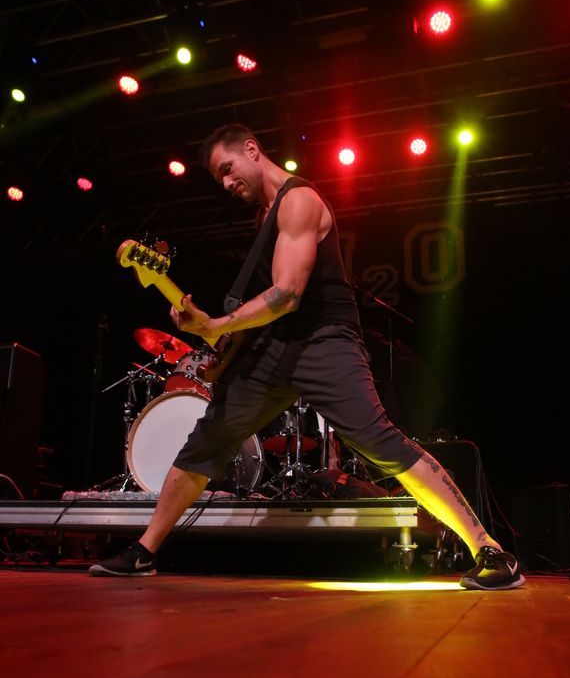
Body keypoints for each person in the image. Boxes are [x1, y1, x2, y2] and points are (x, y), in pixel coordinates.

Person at [89, 123, 525, 590]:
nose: (227, 183)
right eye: (219, 178)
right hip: (275, 345)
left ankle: (490, 550)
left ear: (252, 150)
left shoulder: (299, 201)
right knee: (208, 438)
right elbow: (264, 308)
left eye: (228, 169)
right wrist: (215, 338)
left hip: (324, 338)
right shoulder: (264, 218)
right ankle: (144, 550)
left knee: (378, 441)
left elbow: (287, 295)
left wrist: (216, 325)